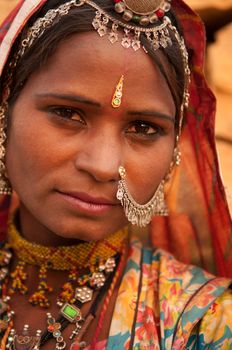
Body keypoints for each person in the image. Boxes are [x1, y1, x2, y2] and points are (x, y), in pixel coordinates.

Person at [0, 0, 231, 349]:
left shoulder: (206, 324)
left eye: (143, 127)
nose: (104, 165)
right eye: (68, 113)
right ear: (5, 110)